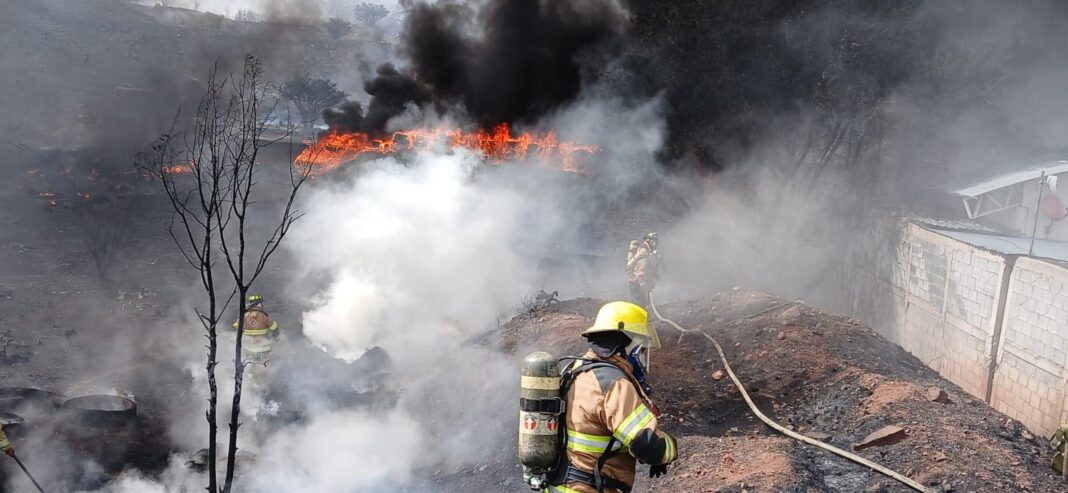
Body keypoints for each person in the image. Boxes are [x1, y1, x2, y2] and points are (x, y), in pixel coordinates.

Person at [548, 301, 678, 493]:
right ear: (626, 344)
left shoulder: (578, 370)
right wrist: (669, 447)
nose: (642, 356)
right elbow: (647, 445)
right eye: (641, 348)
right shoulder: (613, 383)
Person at [232, 294, 280, 365]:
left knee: (249, 365)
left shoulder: (244, 316)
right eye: (260, 303)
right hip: (264, 350)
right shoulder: (265, 316)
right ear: (258, 304)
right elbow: (275, 328)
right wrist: (275, 338)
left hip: (248, 349)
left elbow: (235, 328)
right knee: (264, 366)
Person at [627, 233, 661, 310]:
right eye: (653, 241)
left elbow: (651, 269)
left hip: (641, 282)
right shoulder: (644, 252)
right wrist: (644, 285)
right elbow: (639, 272)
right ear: (648, 240)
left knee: (644, 303)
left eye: (656, 241)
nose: (655, 243)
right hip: (637, 283)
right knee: (638, 305)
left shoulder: (649, 251)